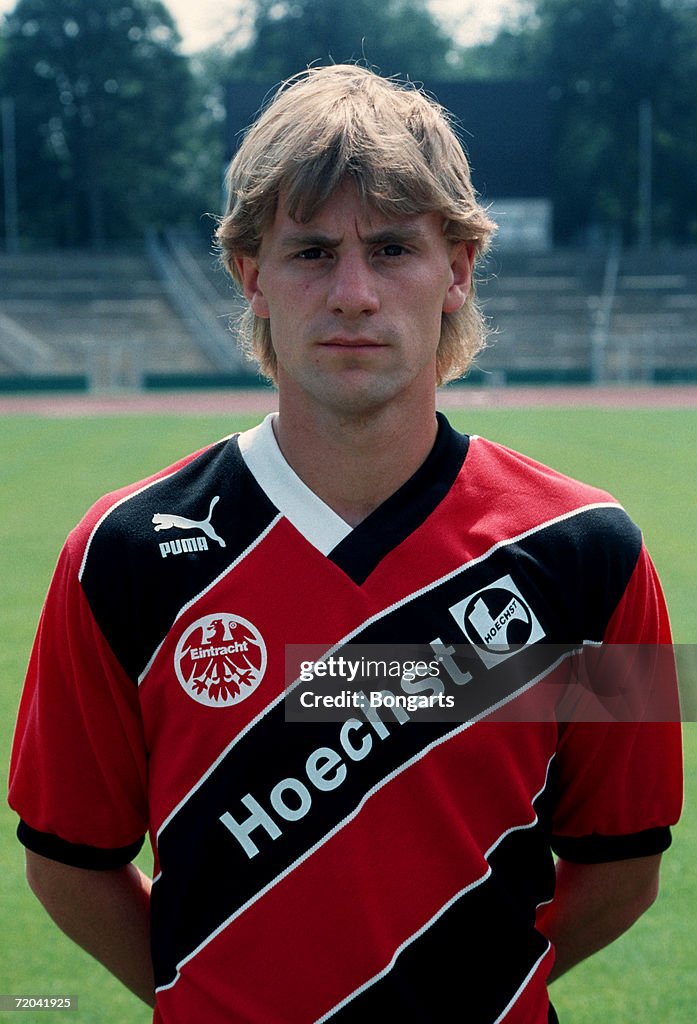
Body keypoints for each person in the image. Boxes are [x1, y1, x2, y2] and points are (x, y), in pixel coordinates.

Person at [9, 64, 682, 1024]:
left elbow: (625, 869)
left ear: (457, 271)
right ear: (252, 276)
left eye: (395, 248)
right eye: (312, 251)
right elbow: (66, 865)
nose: (354, 293)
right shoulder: (114, 554)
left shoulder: (595, 554)